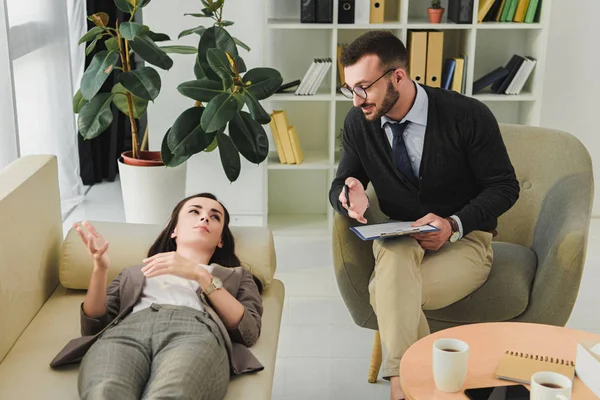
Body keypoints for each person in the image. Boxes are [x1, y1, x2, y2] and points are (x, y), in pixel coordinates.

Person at [329, 31, 520, 400]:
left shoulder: (468, 115)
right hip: (399, 240)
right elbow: (342, 179)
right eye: (349, 88)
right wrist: (346, 194)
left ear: (398, 77)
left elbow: (504, 187)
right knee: (395, 266)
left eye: (364, 87)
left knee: (386, 292)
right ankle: (410, 387)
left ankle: (410, 388)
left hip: (467, 240)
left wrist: (455, 224)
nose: (356, 100)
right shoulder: (359, 123)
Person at [50, 193, 264, 400]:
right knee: (104, 392)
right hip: (126, 331)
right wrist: (100, 269)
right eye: (194, 211)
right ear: (174, 231)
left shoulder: (236, 276)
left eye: (215, 216)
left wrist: (200, 275)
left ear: (221, 240)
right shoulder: (134, 273)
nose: (205, 217)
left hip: (195, 332)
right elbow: (93, 326)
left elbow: (248, 331)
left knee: (171, 394)